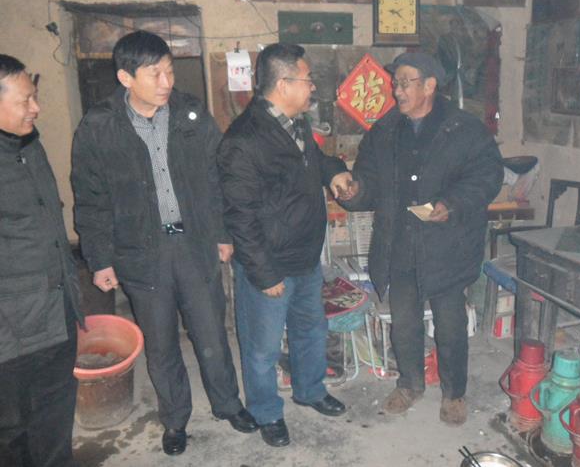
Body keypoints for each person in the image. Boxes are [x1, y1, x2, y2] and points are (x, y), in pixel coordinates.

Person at [70, 31, 256, 456]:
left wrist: (222, 233)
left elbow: (216, 179)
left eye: (169, 71)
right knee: (161, 344)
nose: (166, 81)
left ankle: (228, 404)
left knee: (212, 332)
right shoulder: (99, 127)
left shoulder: (191, 114)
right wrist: (100, 259)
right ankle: (175, 419)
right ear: (125, 77)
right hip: (140, 251)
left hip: (194, 243)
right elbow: (91, 198)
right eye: (154, 73)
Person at [338, 52, 503, 425]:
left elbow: (487, 175)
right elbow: (369, 182)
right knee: (404, 321)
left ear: (429, 85)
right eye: (395, 83)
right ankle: (409, 384)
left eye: (404, 82)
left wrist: (451, 203)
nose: (397, 91)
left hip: (447, 243)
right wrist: (355, 192)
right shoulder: (384, 132)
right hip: (398, 242)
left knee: (450, 324)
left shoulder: (464, 129)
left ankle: (454, 394)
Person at [218, 43, 354, 447]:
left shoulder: (295, 123)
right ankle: (266, 412)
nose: (313, 87)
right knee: (261, 347)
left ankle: (310, 390)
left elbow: (315, 160)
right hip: (270, 265)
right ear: (283, 84)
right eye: (307, 80)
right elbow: (240, 216)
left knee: (310, 330)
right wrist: (264, 274)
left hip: (305, 257)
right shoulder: (244, 139)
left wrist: (334, 172)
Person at [0, 54, 84, 466]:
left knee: (55, 412)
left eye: (35, 97)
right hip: (11, 325)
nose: (36, 108)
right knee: (11, 425)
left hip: (56, 306)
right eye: (25, 100)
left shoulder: (29, 146)